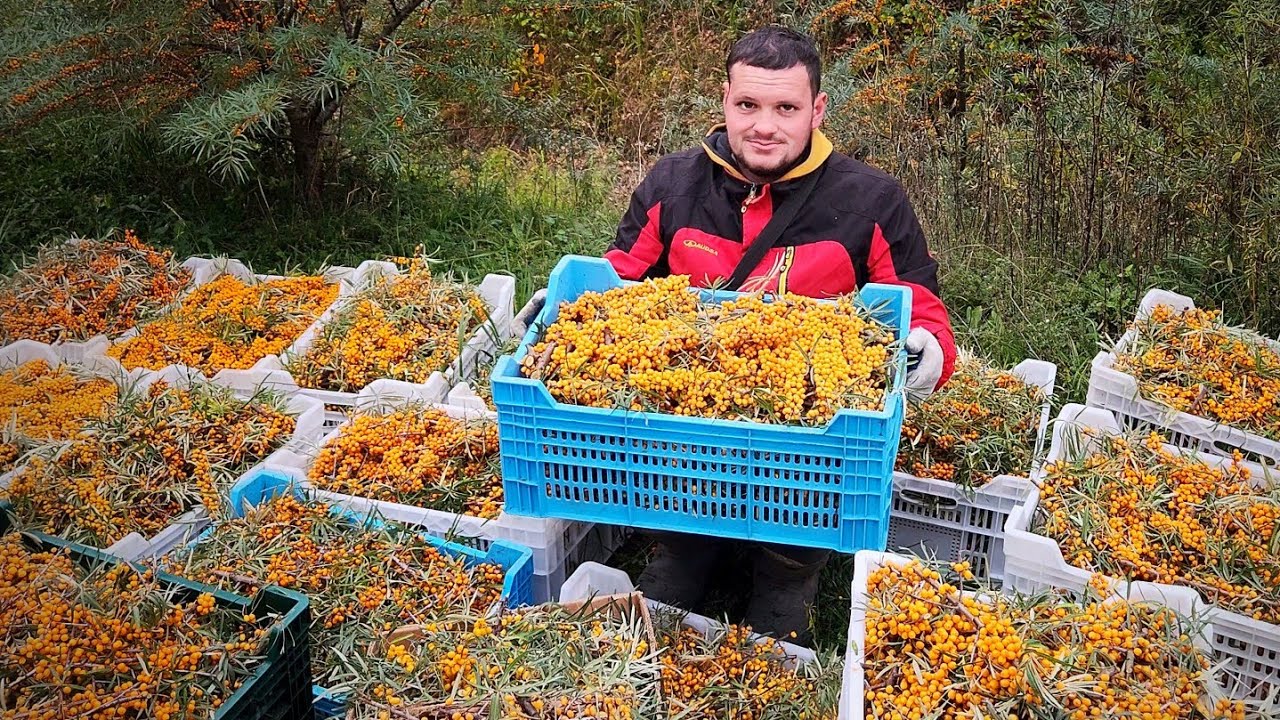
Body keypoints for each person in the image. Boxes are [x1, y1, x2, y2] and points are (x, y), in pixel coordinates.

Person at [601, 25, 957, 645]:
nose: (764, 126)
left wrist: (930, 347)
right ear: (725, 101)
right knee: (676, 560)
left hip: (808, 440)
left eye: (786, 108)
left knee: (784, 581)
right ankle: (687, 546)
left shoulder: (872, 200)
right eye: (748, 106)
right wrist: (561, 306)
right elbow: (612, 277)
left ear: (817, 110)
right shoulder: (673, 185)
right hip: (692, 431)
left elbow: (920, 304)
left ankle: (788, 571)